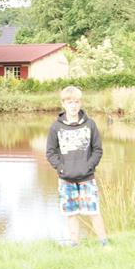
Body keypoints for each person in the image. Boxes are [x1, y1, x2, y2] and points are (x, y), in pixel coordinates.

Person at [46, 86, 109, 248]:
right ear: (63, 104)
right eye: (69, 102)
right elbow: (51, 152)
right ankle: (75, 245)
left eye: (76, 102)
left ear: (80, 103)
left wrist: (89, 166)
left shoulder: (90, 124)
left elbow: (97, 149)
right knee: (71, 214)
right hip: (66, 179)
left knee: (94, 211)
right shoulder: (56, 127)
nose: (73, 106)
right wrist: (61, 169)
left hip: (87, 178)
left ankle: (104, 243)